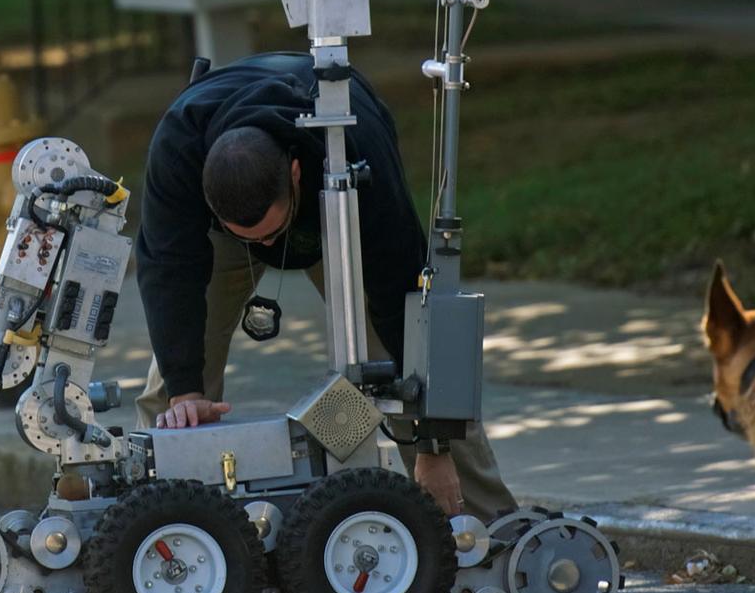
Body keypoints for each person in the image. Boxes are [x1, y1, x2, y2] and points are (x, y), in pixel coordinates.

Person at [131, 51, 517, 521]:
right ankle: (154, 528)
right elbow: (168, 274)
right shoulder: (178, 146)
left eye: (271, 234)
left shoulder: (356, 143)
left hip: (337, 204)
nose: (266, 248)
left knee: (402, 366)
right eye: (250, 238)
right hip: (230, 225)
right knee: (171, 394)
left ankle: (491, 529)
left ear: (293, 173)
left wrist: (433, 443)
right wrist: (185, 392)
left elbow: (405, 306)